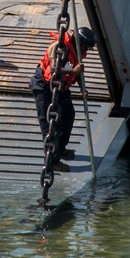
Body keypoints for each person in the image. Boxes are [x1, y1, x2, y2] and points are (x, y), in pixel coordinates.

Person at [29, 27, 97, 172]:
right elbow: (53, 69)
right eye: (86, 46)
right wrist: (73, 71)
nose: (86, 50)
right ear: (79, 42)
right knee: (51, 125)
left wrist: (82, 88)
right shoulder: (59, 47)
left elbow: (77, 73)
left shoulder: (78, 52)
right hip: (44, 86)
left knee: (68, 114)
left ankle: (60, 148)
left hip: (61, 88)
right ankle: (52, 161)